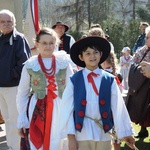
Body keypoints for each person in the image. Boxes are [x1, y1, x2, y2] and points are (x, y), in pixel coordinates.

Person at [60, 36, 136, 150]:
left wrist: (126, 132)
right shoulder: (74, 80)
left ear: (100, 55)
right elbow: (67, 109)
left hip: (103, 132)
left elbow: (118, 107)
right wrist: (71, 138)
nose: (92, 56)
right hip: (82, 133)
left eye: (95, 52)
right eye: (88, 53)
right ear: (81, 57)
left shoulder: (109, 79)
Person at [17, 27, 74, 150]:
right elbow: (22, 93)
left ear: (56, 44)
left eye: (51, 43)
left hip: (60, 106)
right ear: (37, 44)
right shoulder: (30, 64)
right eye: (44, 43)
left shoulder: (64, 62)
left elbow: (71, 88)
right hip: (38, 106)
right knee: (39, 141)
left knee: (59, 140)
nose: (48, 46)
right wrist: (22, 118)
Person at [0, 9, 31, 150]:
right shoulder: (1, 39)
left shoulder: (19, 39)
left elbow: (24, 63)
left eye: (9, 21)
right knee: (6, 119)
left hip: (14, 87)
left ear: (14, 23)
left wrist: (10, 74)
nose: (6, 24)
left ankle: (18, 147)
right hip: (1, 87)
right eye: (2, 21)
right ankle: (11, 146)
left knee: (15, 120)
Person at [127, 26, 150, 138]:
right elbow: (133, 62)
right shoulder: (142, 50)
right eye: (147, 36)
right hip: (141, 86)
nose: (147, 39)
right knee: (141, 107)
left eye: (149, 37)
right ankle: (143, 130)